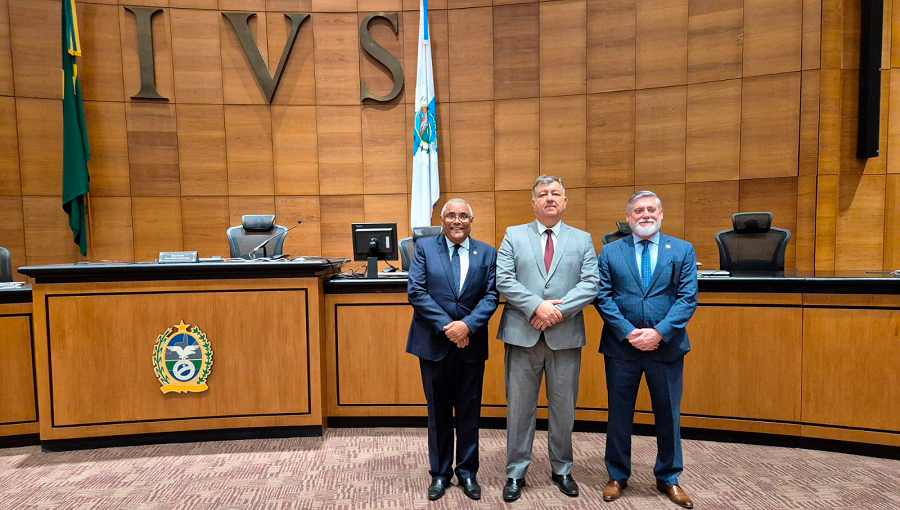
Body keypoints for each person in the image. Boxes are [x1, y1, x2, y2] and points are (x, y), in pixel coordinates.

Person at [495, 175, 599, 501]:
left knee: (563, 408)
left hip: (564, 336)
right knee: (519, 409)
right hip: (521, 335)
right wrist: (536, 306)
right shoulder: (513, 235)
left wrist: (556, 311)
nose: (549, 198)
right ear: (533, 203)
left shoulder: (582, 239)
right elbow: (503, 279)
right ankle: (515, 473)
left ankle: (562, 469)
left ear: (565, 202)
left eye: (556, 193)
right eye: (543, 194)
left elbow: (591, 284)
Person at [594, 191, 698, 508]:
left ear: (661, 214)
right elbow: (603, 297)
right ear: (628, 218)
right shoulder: (611, 251)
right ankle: (617, 475)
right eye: (638, 211)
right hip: (621, 348)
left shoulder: (682, 250)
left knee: (668, 415)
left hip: (666, 348)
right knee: (619, 414)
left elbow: (687, 299)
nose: (645, 215)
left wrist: (659, 333)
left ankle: (669, 477)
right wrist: (629, 333)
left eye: (651, 209)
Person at [406, 198, 499, 501]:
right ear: (442, 220)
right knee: (438, 413)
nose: (457, 221)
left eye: (463, 216)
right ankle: (440, 474)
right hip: (434, 344)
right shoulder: (424, 248)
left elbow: (491, 295)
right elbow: (416, 291)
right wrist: (450, 327)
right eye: (450, 216)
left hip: (471, 344)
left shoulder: (487, 252)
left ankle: (468, 472)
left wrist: (467, 326)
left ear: (471, 220)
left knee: (470, 412)